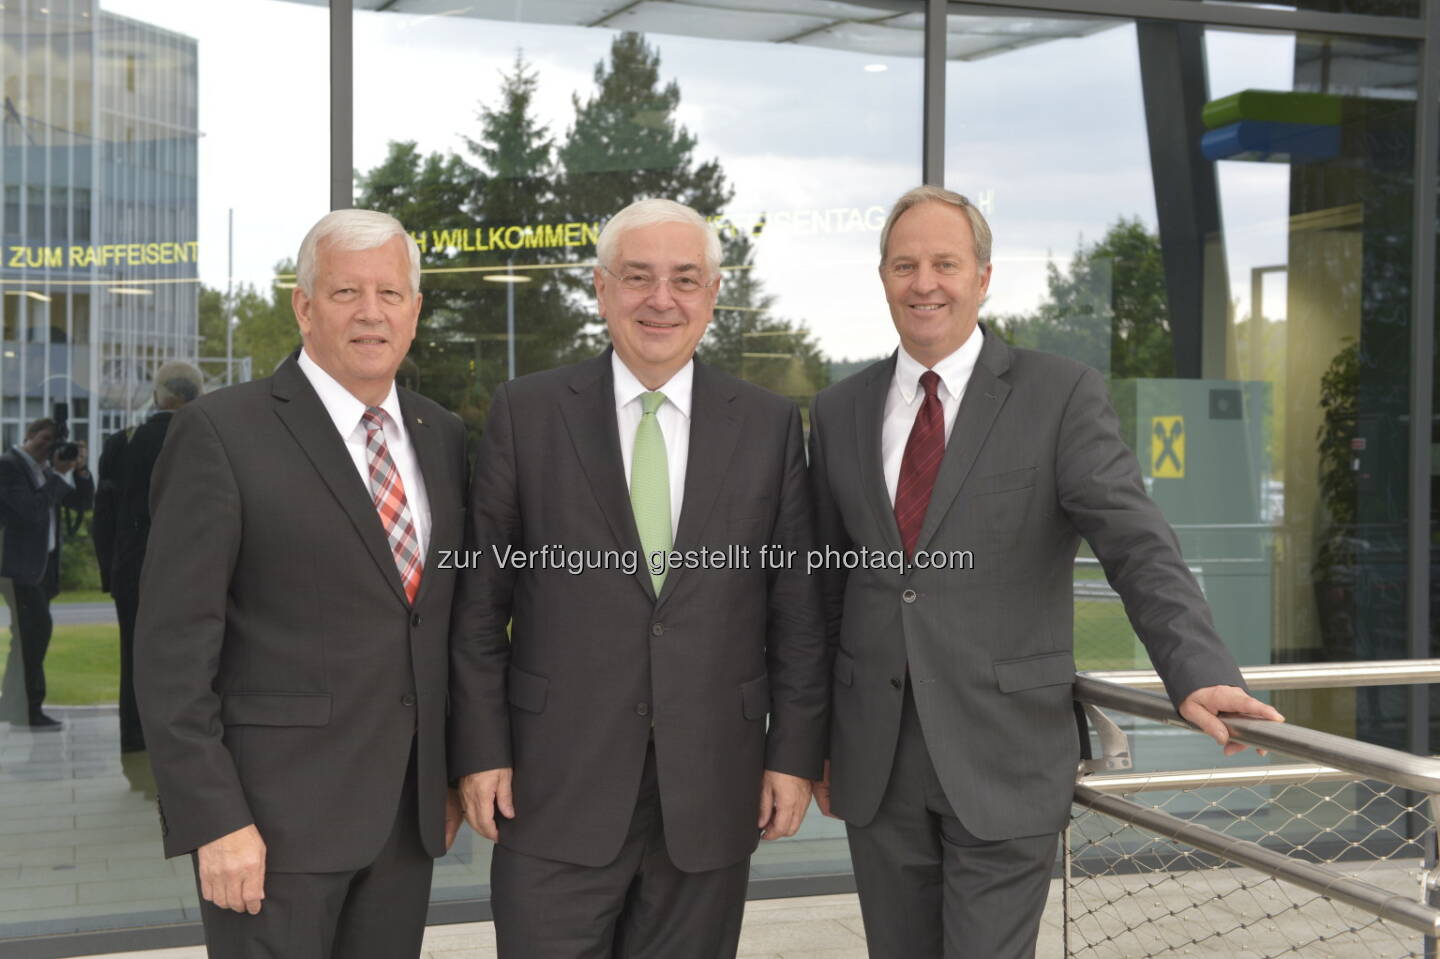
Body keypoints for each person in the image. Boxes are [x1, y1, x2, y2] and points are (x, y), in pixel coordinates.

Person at [807, 185, 1285, 959]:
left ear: (984, 277)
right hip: (876, 761)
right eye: (905, 264)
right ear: (884, 276)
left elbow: (1136, 544)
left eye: (945, 263)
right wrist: (813, 739)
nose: (924, 282)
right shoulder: (838, 411)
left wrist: (1194, 669)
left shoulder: (1058, 394)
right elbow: (825, 588)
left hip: (1006, 756)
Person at [450, 197, 828, 958]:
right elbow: (479, 608)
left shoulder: (767, 424)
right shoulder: (527, 414)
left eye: (685, 279)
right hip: (552, 787)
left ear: (714, 295)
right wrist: (481, 748)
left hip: (712, 791)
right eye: (638, 277)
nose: (662, 299)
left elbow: (796, 611)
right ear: (601, 287)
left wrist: (791, 753)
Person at [135, 209, 467, 959]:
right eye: (347, 292)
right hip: (268, 828)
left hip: (403, 823)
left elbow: (436, 623)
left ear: (415, 310)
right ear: (304, 305)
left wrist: (446, 774)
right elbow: (171, 649)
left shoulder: (440, 434)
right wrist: (212, 818)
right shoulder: (222, 433)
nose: (371, 313)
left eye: (390, 292)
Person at [100, 361, 204, 753]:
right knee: (197, 658)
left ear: (158, 395)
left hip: (134, 568)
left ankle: (134, 735)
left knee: (135, 656)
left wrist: (109, 573)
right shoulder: (212, 441)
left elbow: (105, 516)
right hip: (197, 570)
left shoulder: (123, 443)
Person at [0, 417, 94, 729]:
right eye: (45, 438)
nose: (48, 446)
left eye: (54, 441)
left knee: (25, 638)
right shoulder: (8, 465)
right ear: (29, 434)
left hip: (41, 567)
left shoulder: (46, 470)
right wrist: (56, 474)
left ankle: (12, 707)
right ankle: (29, 710)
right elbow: (29, 511)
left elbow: (82, 502)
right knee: (36, 633)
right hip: (18, 567)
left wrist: (80, 471)